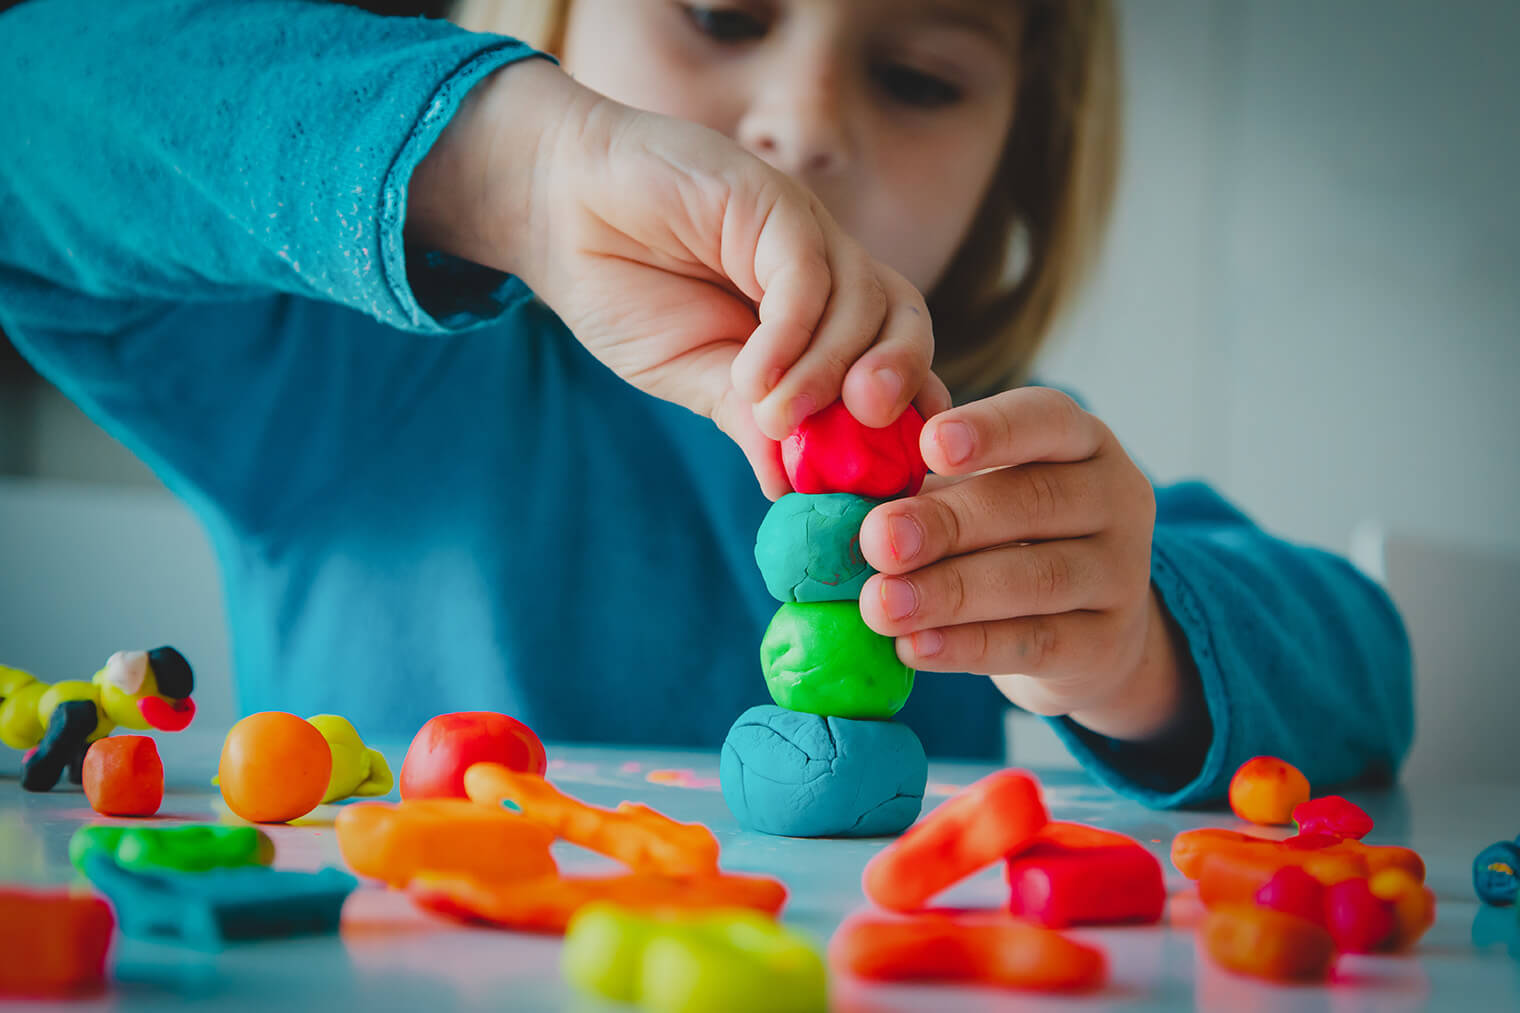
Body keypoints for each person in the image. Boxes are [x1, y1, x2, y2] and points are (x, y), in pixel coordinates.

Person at [0, 0, 1411, 807]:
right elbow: (26, 105)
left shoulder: (978, 461)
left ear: (1018, 173)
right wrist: (510, 167)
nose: (804, 123)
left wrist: (1132, 644)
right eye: (722, 12)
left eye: (921, 76)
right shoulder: (340, 389)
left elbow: (1369, 666)